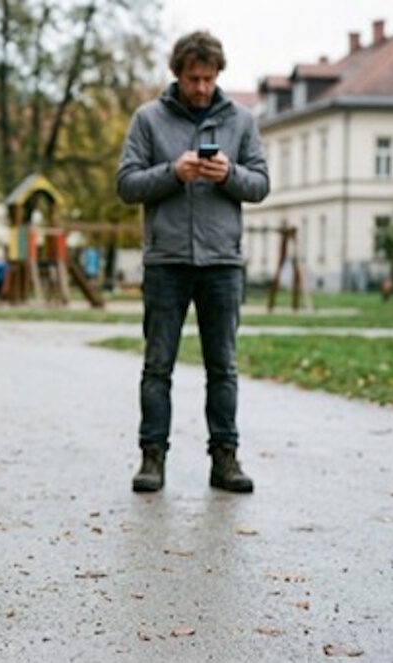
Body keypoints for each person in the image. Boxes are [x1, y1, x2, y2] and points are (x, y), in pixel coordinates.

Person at [116, 31, 269, 494]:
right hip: (166, 261)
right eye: (192, 78)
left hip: (222, 262)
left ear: (218, 75)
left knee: (222, 366)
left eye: (208, 78)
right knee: (157, 365)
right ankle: (152, 459)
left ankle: (225, 459)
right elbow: (126, 184)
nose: (201, 87)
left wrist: (230, 175)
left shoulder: (241, 121)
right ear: (177, 75)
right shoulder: (149, 119)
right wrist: (172, 173)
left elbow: (260, 185)